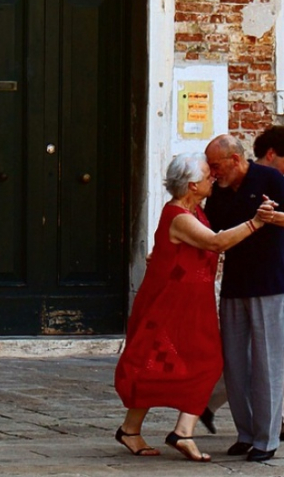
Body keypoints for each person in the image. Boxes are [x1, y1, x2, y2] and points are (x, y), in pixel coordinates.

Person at [114, 152, 269, 462]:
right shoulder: (181, 216)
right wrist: (256, 222)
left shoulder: (194, 211)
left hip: (188, 304)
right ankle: (179, 433)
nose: (212, 177)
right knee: (192, 362)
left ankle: (136, 430)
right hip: (172, 306)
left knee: (178, 363)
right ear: (192, 185)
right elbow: (216, 243)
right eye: (206, 175)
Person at [205, 134, 284, 462]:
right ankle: (246, 433)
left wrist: (271, 217)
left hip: (270, 283)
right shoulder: (219, 193)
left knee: (268, 362)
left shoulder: (270, 179)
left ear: (235, 160)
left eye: (216, 165)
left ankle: (267, 440)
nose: (213, 173)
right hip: (235, 284)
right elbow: (210, 230)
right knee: (236, 364)